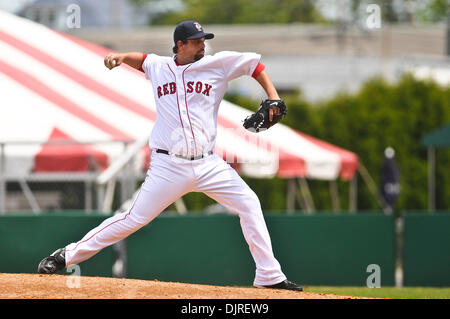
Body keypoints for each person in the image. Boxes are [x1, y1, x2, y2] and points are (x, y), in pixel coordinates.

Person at [37, 20, 302, 292]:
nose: (203, 44)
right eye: (197, 40)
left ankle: (269, 275)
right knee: (131, 219)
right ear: (180, 45)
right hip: (168, 166)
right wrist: (120, 57)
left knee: (249, 204)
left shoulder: (216, 64)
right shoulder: (160, 66)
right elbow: (141, 59)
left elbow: (254, 65)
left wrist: (272, 95)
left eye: (203, 40)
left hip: (208, 164)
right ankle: (67, 255)